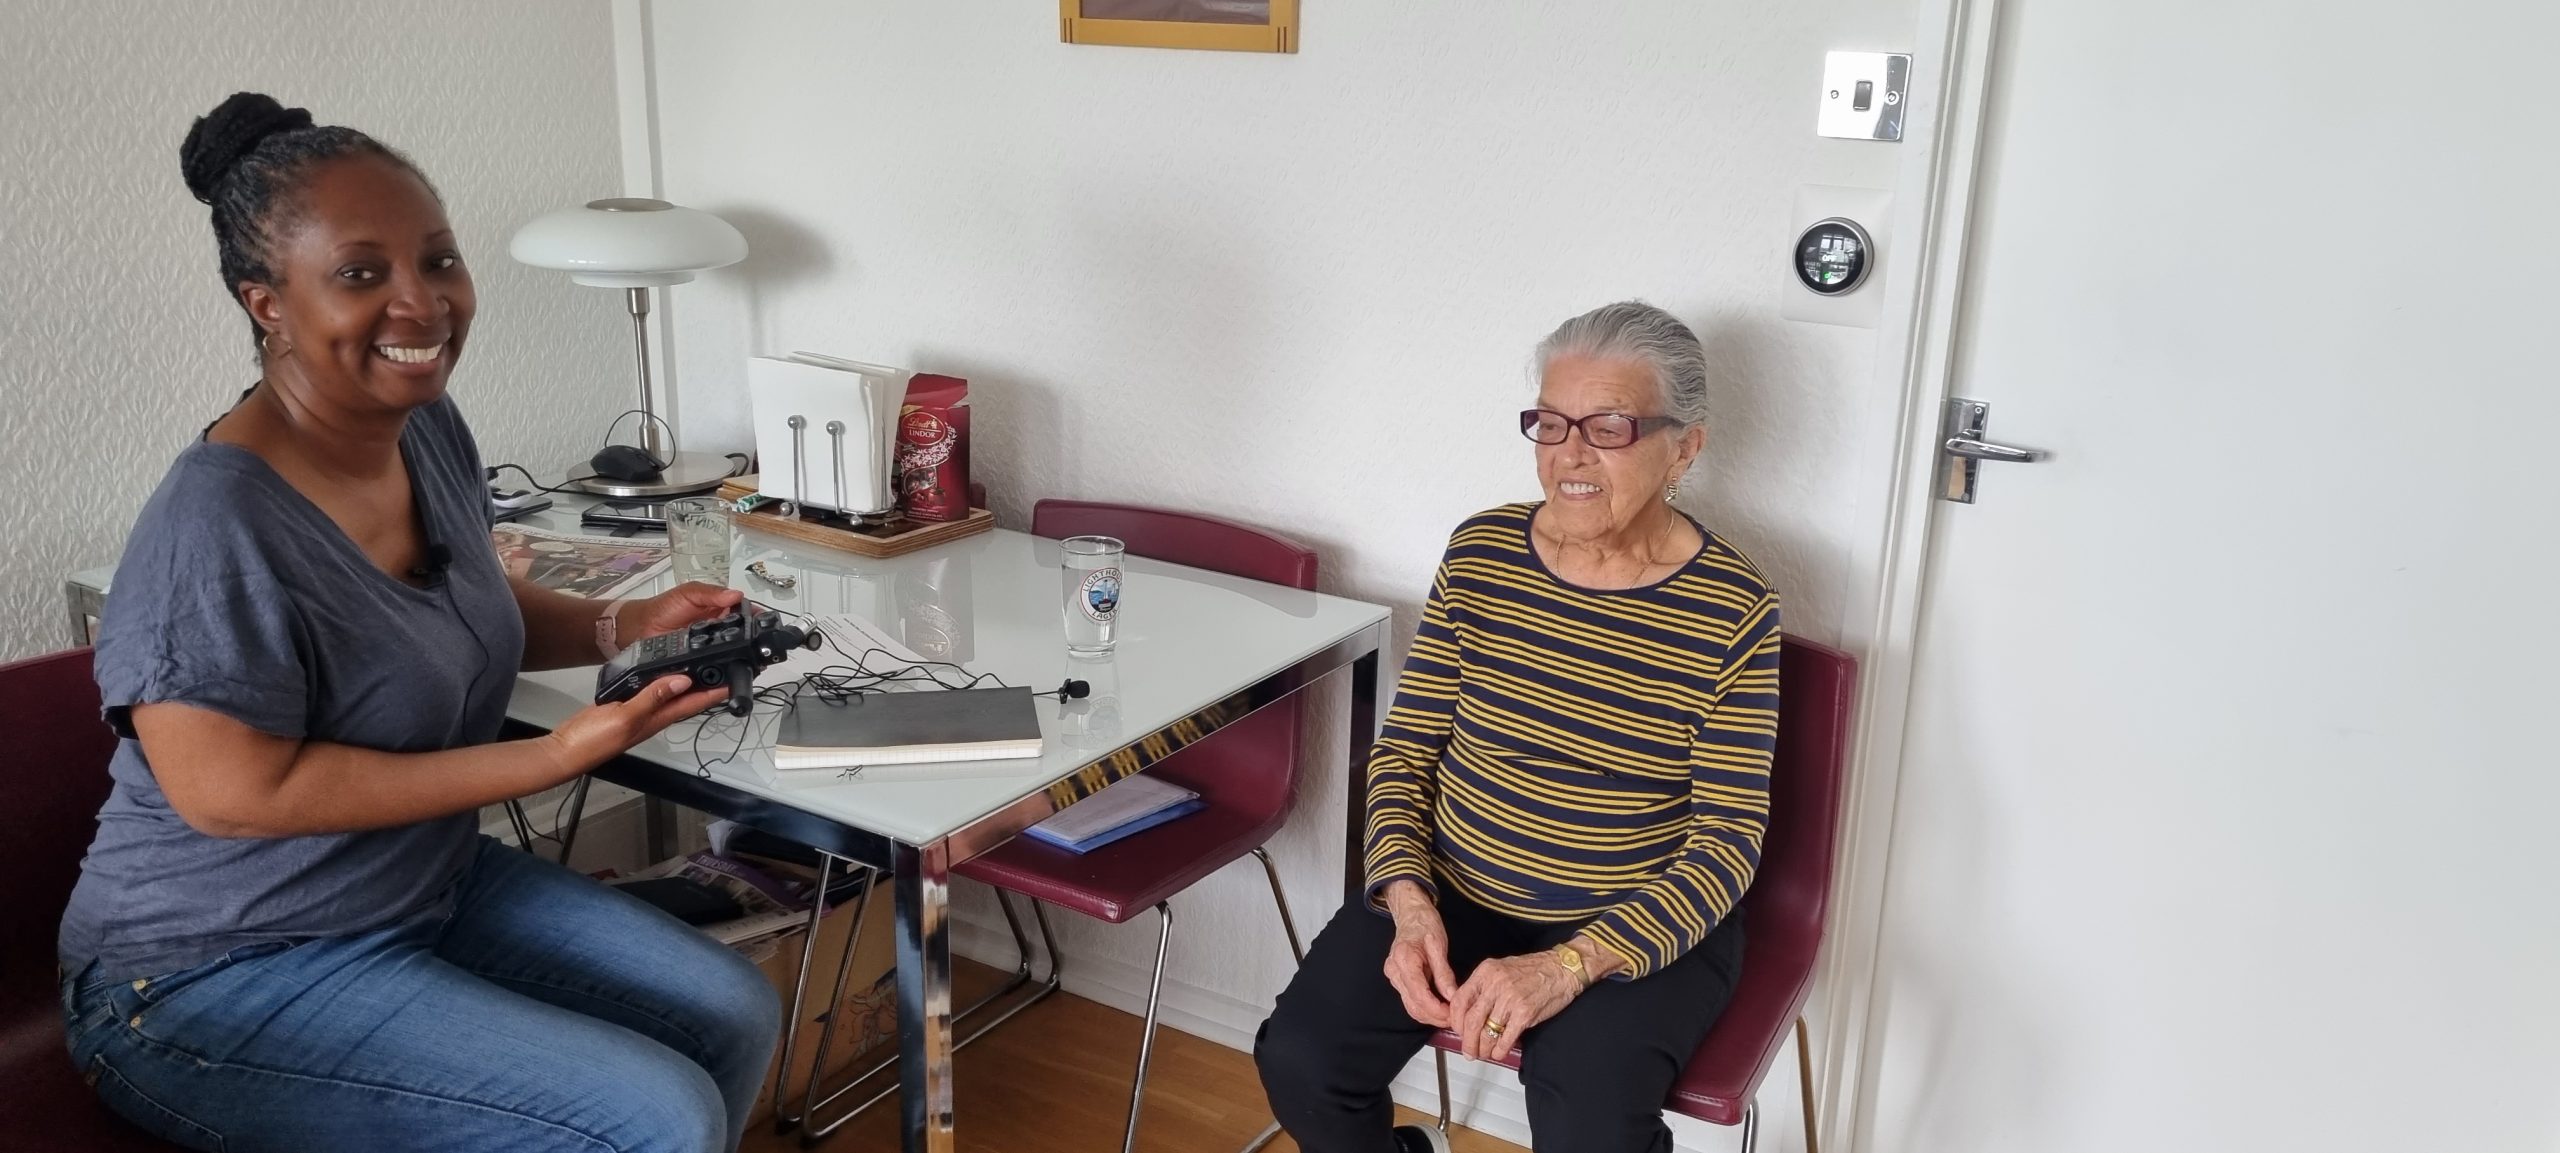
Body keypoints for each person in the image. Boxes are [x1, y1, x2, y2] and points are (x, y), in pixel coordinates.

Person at [56, 93, 781, 1153]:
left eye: (438, 261)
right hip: (208, 972)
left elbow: (457, 608)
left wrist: (625, 623)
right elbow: (232, 793)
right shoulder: (217, 526)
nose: (422, 304)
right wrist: (553, 758)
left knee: (732, 1009)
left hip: (414, 884)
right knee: (651, 1115)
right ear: (268, 302)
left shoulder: (422, 425)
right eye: (361, 274)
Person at [1255, 302, 1782, 1153]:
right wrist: (1408, 898)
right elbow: (1404, 756)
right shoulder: (1483, 554)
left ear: (1685, 446)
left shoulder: (1732, 606)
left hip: (1631, 924)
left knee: (1588, 1124)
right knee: (1303, 1061)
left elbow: (1727, 842)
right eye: (1550, 421)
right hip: (1459, 891)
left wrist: (1572, 963)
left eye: (1608, 425)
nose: (1569, 453)